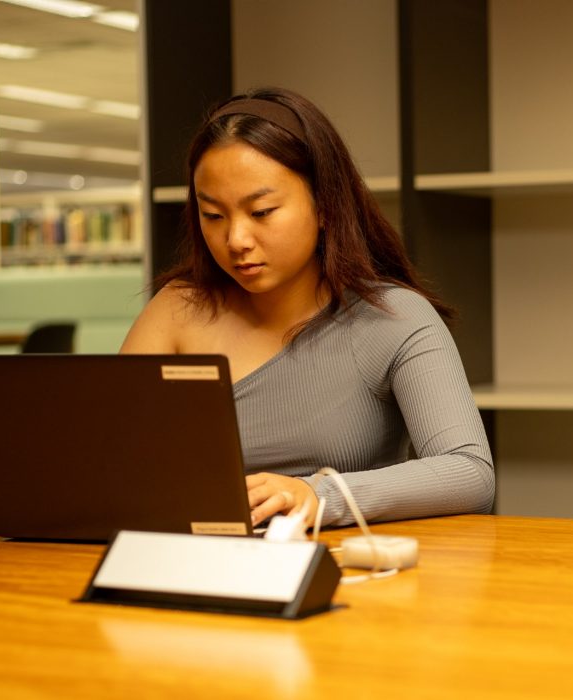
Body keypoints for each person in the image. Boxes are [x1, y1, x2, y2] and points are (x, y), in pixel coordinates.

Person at [121, 86, 494, 529]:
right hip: (191, 560)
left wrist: (319, 496)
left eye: (261, 212)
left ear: (325, 207)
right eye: (214, 216)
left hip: (339, 571)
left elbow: (469, 473)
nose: (236, 239)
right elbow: (111, 455)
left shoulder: (394, 317)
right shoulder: (178, 309)